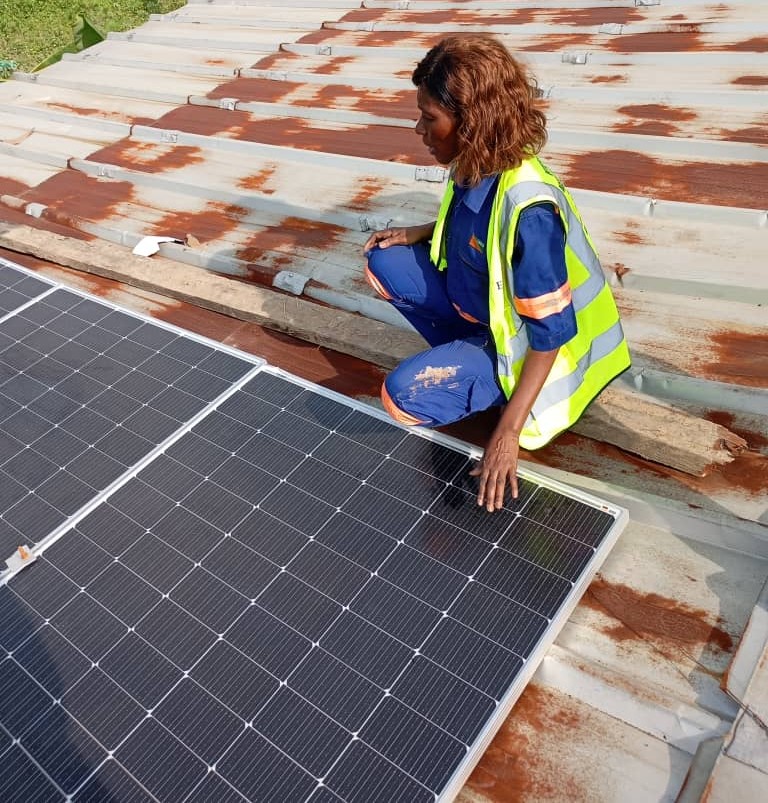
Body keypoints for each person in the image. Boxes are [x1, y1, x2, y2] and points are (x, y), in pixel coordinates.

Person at [363, 35, 630, 512]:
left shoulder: (530, 212)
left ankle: (492, 383)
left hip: (541, 355)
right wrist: (420, 232)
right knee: (385, 262)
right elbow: (477, 229)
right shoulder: (474, 163)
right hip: (491, 319)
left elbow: (551, 334)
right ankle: (471, 357)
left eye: (429, 117)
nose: (419, 129)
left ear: (472, 122)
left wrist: (507, 434)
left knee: (403, 397)